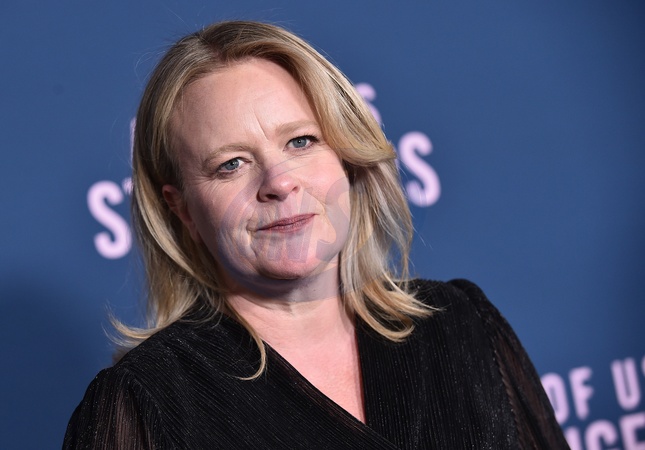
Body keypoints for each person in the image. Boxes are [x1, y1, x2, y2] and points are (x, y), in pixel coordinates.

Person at [64, 21, 569, 449]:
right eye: (231, 163)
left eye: (301, 141)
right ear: (183, 211)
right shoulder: (145, 404)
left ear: (346, 154)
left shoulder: (462, 325)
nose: (280, 182)